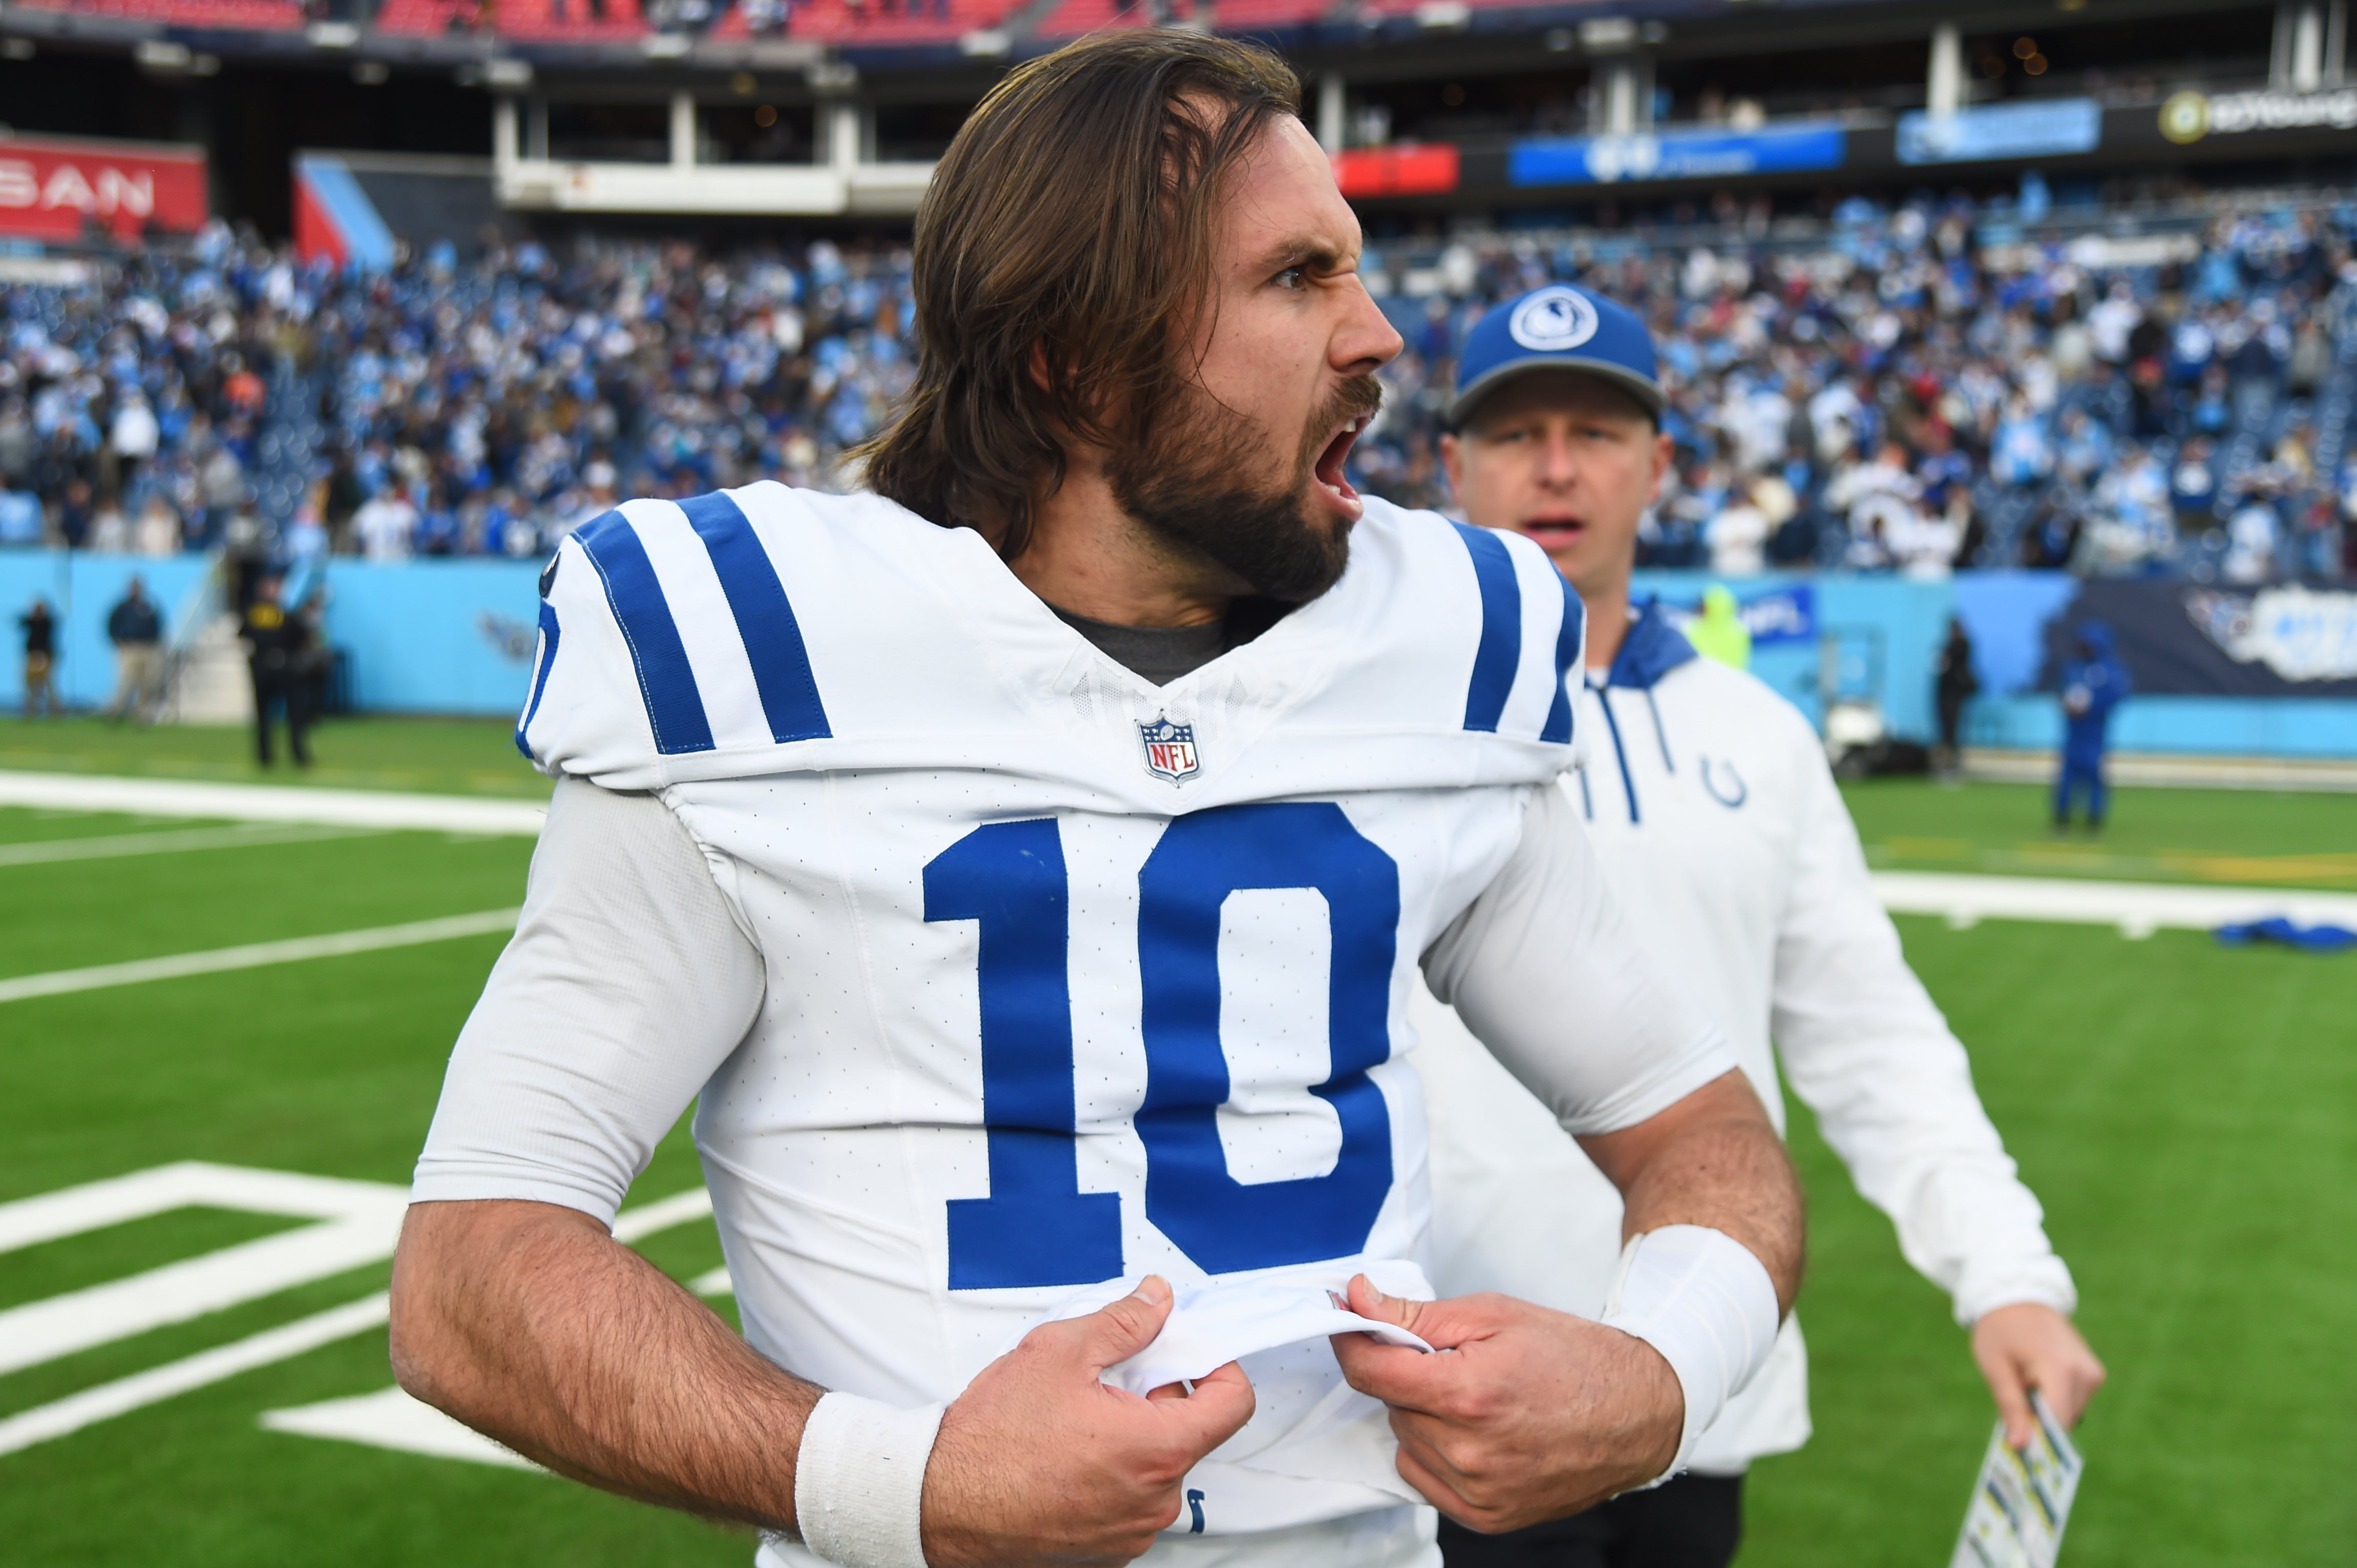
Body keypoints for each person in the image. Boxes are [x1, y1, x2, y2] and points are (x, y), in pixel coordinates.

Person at [390, 35, 1806, 1568]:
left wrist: (1658, 1369)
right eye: (1295, 278)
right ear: (1073, 354)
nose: (1378, 333)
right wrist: (909, 1481)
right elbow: (475, 1269)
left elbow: (1702, 1130)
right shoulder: (762, 650)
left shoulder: (1442, 637)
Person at [1418, 283, 2104, 1568]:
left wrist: (2006, 1273)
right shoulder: (1380, 729)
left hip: (1697, 1377)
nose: (1555, 468)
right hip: (1444, 1390)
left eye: (1597, 431)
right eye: (1514, 433)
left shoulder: (1757, 734)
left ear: (1662, 464)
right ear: (1451, 463)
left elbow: (1868, 1033)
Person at [2054, 620, 2129, 832]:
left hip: (2094, 731)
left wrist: (2092, 707)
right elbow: (2061, 691)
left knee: (2094, 773)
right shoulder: (2073, 667)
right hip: (2074, 731)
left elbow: (2117, 695)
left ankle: (2094, 817)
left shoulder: (2108, 670)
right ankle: (2062, 815)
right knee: (2067, 774)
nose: (2082, 648)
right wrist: (2066, 705)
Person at [240, 573, 313, 767]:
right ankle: (266, 756)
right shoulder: (264, 614)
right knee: (265, 714)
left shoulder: (280, 614)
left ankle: (296, 754)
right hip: (269, 667)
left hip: (281, 666)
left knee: (294, 713)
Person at [104, 576, 166, 723]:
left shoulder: (148, 606)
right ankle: (118, 711)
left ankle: (142, 713)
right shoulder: (123, 607)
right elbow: (112, 625)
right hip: (131, 647)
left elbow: (158, 624)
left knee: (150, 682)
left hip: (150, 648)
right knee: (127, 681)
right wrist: (118, 641)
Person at [1936, 615, 1979, 775]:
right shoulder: (1948, 647)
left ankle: (1953, 766)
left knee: (1954, 732)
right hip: (1946, 695)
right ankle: (1946, 765)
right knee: (1947, 732)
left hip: (1956, 695)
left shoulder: (1961, 647)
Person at [17, 595, 59, 718]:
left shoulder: (47, 622)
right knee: (29, 683)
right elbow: (21, 623)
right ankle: (31, 708)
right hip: (32, 655)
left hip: (45, 655)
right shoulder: (30, 622)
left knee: (48, 683)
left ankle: (54, 709)